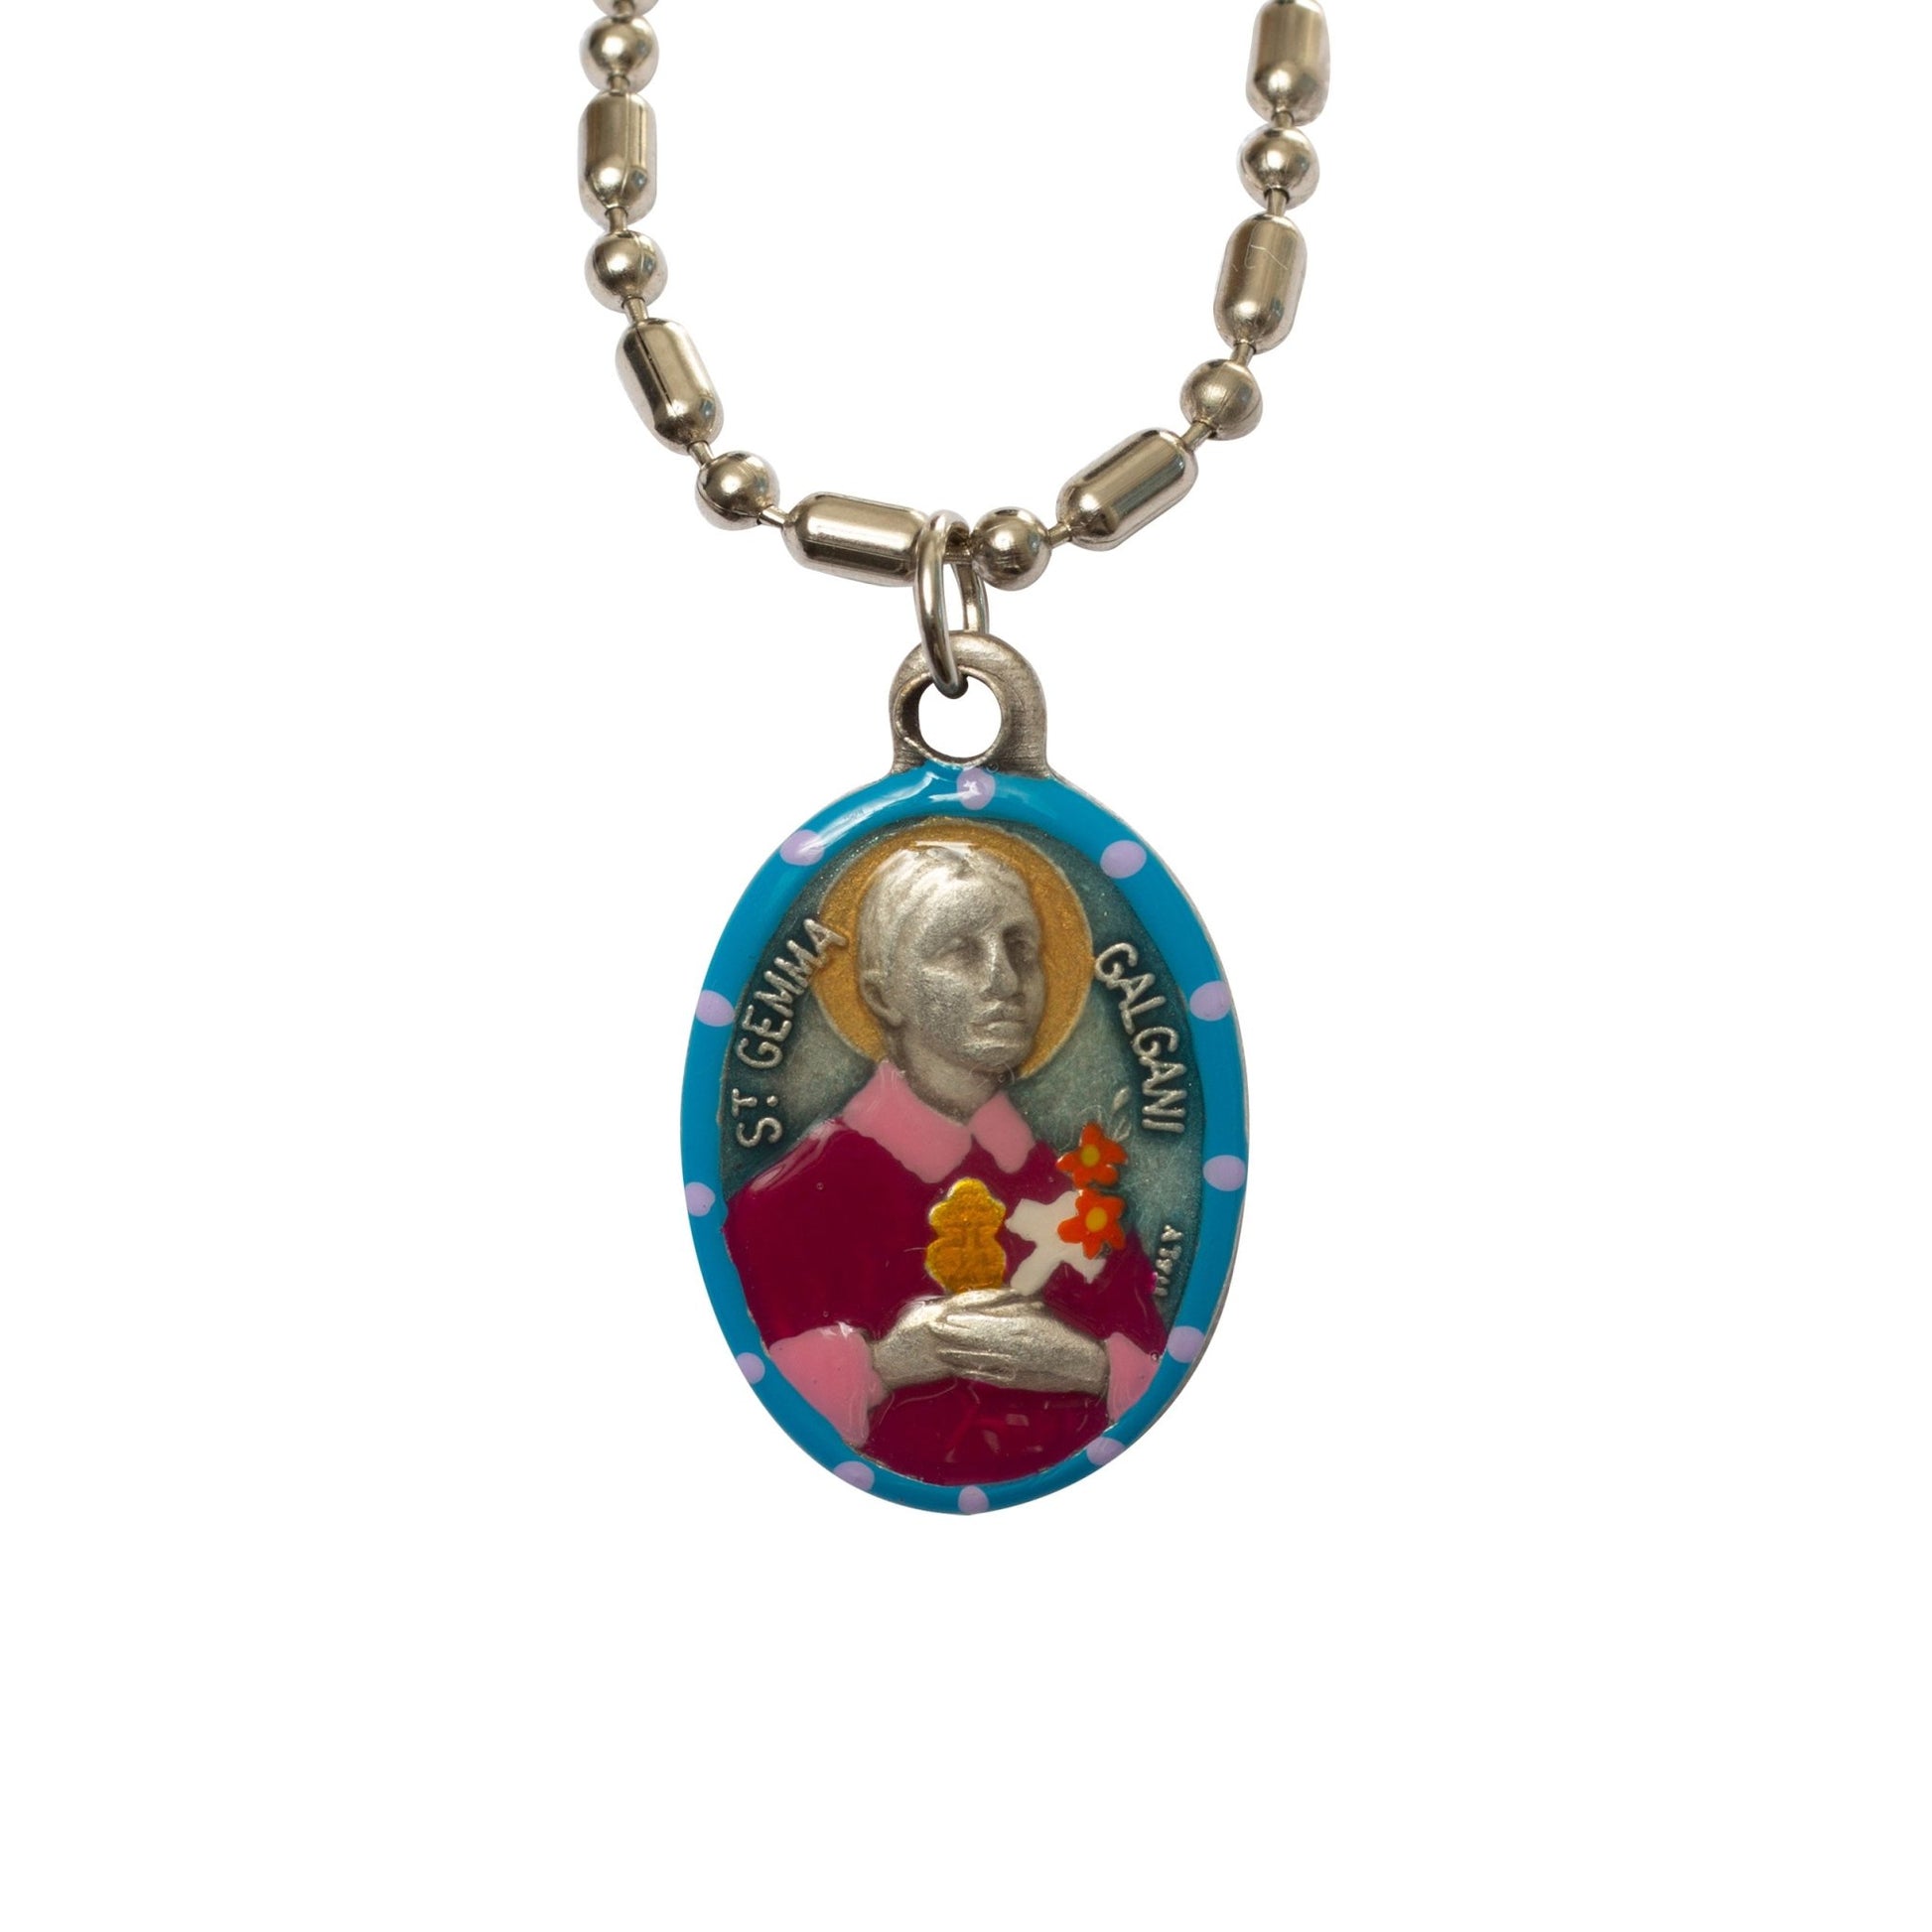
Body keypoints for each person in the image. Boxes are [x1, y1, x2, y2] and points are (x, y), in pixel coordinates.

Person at [724, 840, 1167, 1485]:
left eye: (1021, 948)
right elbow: (753, 1400)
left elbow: (1160, 1366)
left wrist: (1085, 1366)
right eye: (960, 950)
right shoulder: (784, 1205)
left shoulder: (1079, 1194)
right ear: (883, 995)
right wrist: (888, 1362)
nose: (1005, 980)